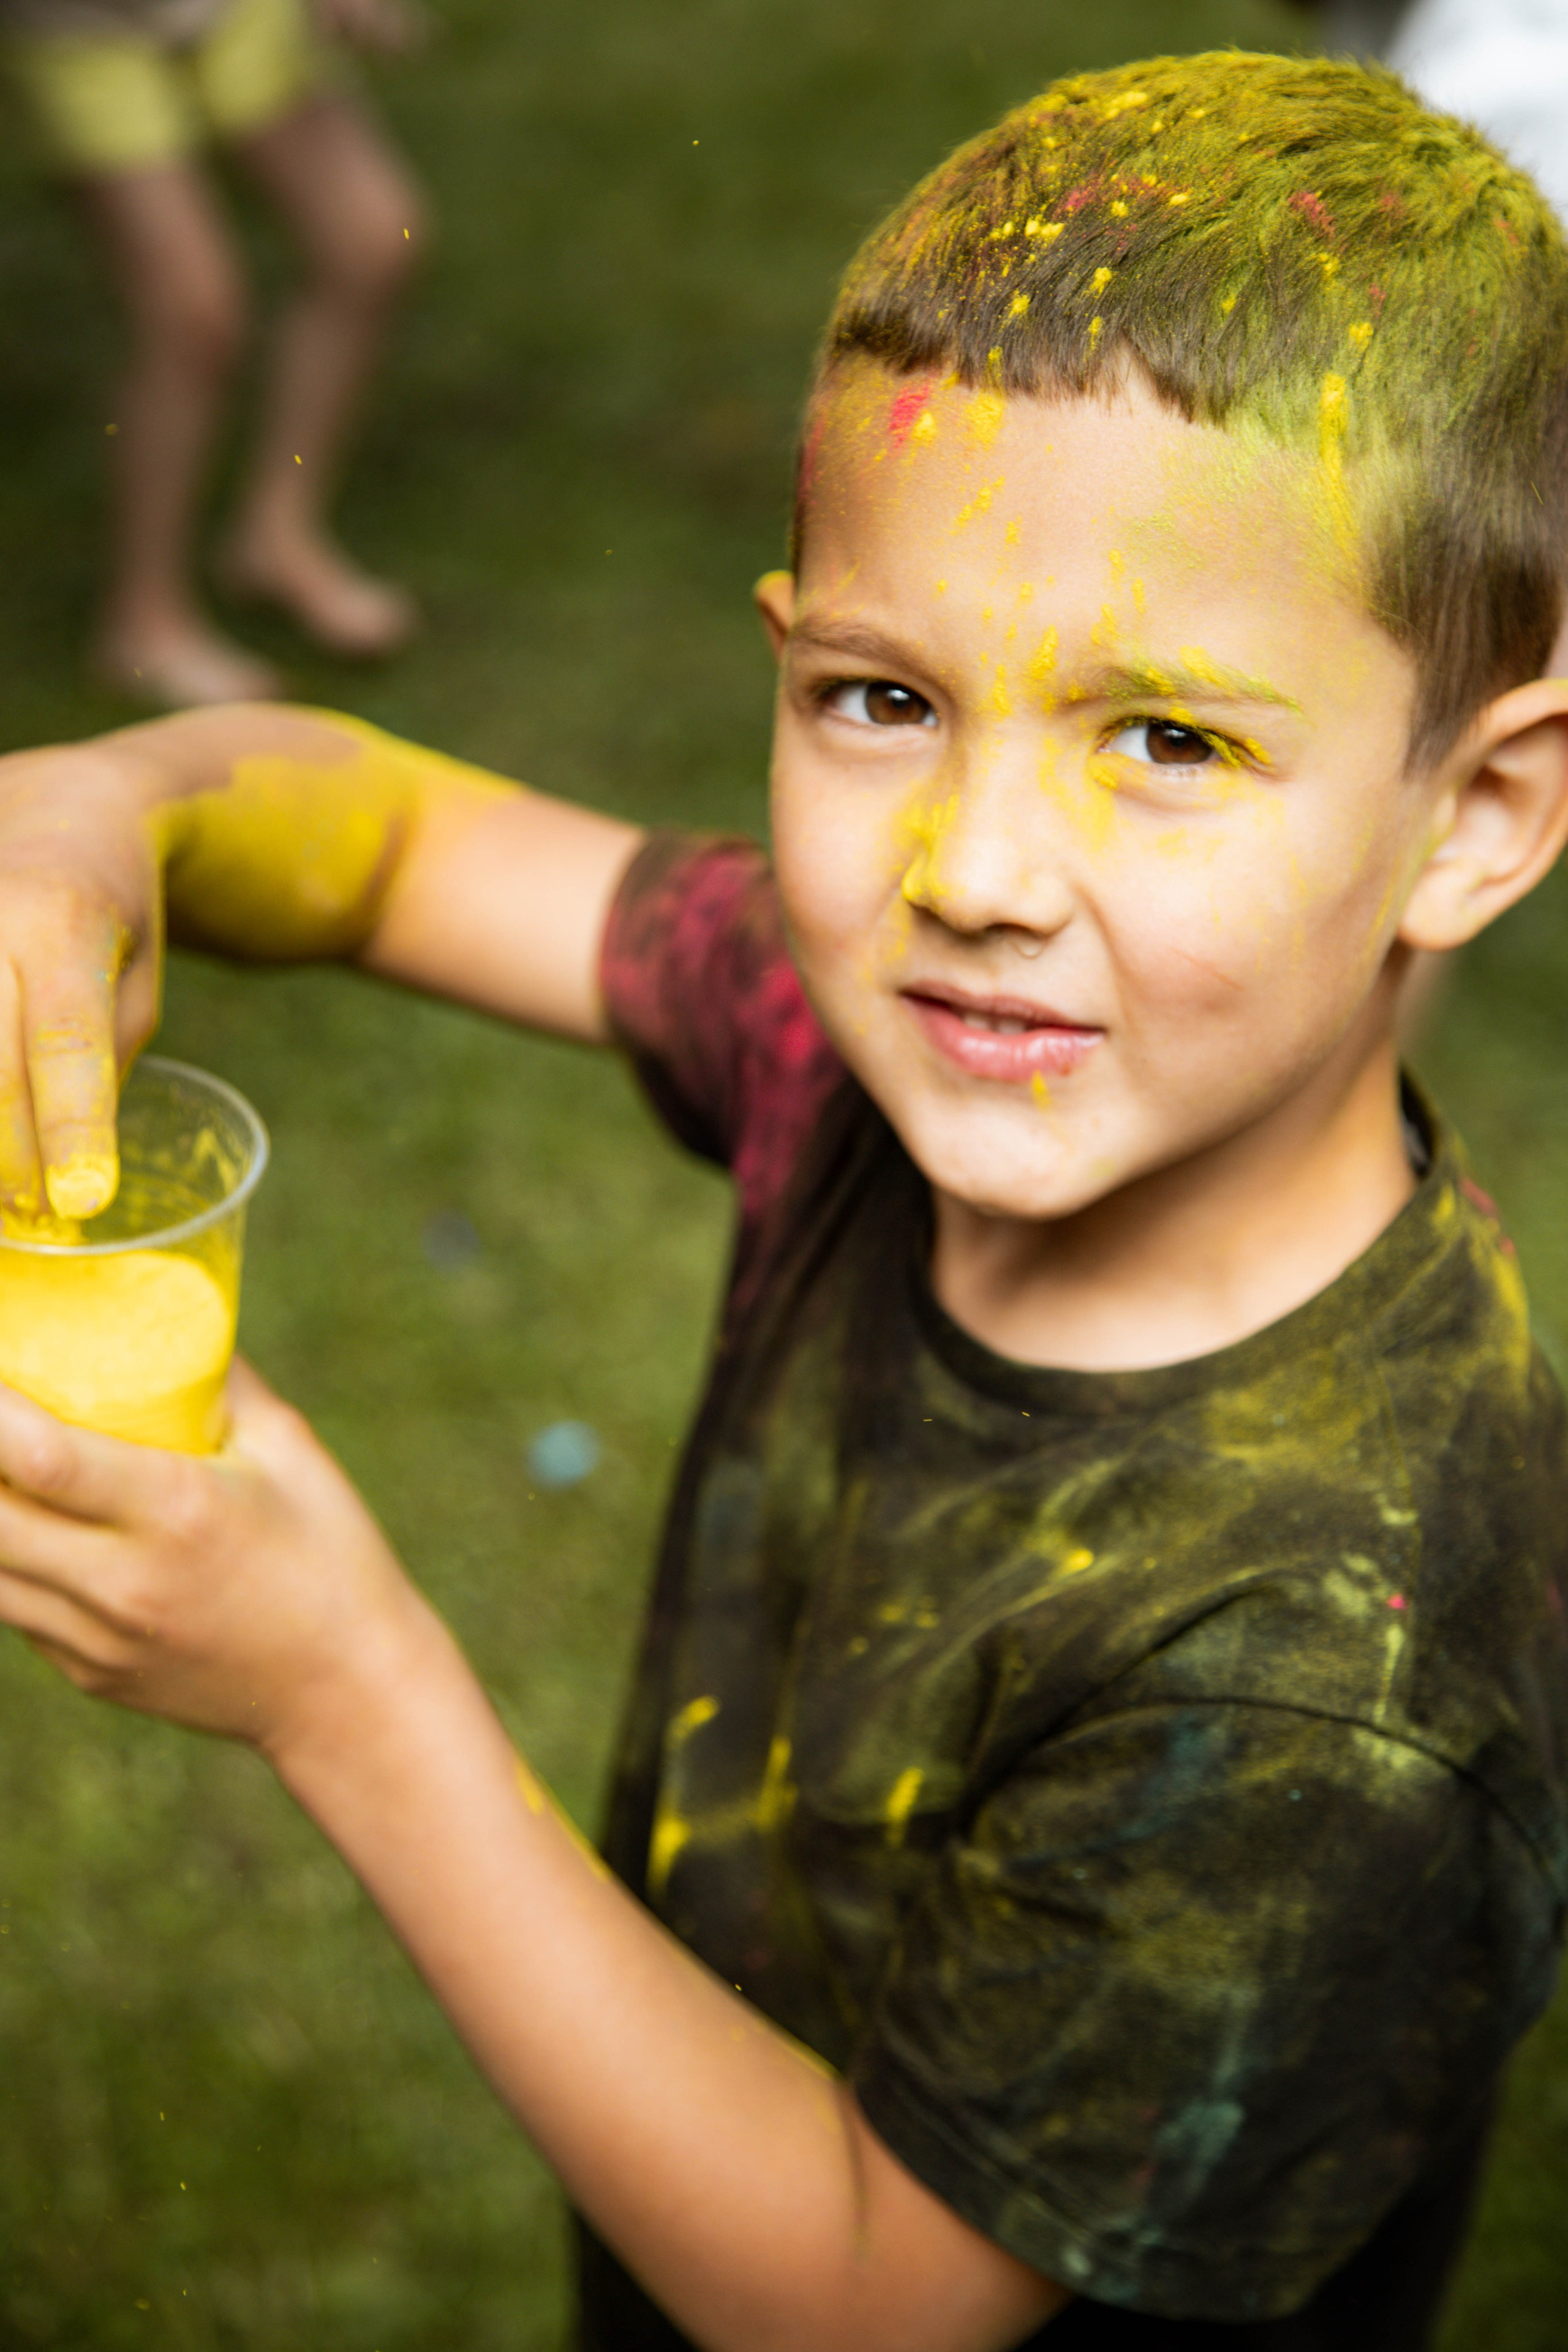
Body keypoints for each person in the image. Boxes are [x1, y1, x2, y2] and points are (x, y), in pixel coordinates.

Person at [0, 48, 1565, 2352]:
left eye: (1166, 739)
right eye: (878, 698)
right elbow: (394, 846)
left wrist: (339, 1684)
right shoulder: (872, 1048)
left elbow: (860, 2304)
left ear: (1471, 816)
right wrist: (109, 804)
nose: (972, 876)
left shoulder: (1332, 1663)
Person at [0, 0, 428, 709]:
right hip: (76, 30)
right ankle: (144, 619)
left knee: (371, 241)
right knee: (193, 322)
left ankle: (278, 532)